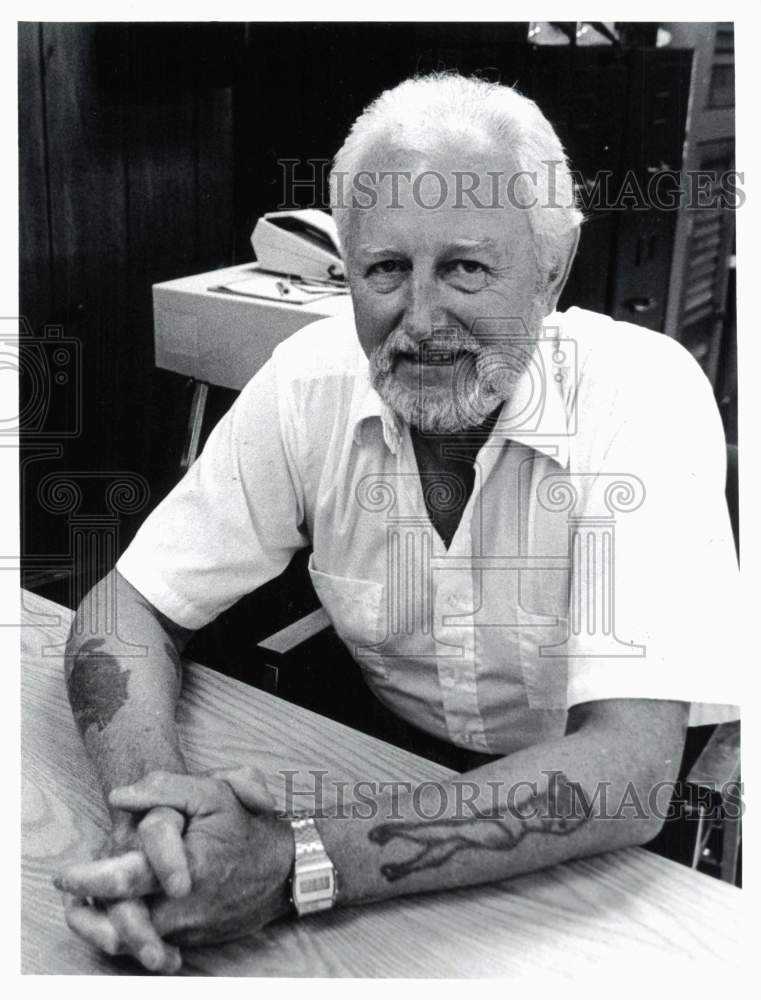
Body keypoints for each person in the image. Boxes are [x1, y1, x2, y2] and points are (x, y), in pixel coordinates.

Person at [53, 73, 740, 974]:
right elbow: (124, 609)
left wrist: (293, 860)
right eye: (384, 270)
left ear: (551, 268)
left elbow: (626, 770)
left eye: (465, 268)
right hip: (383, 767)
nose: (418, 321)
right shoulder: (309, 380)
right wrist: (150, 810)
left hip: (606, 830)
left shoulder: (642, 395)